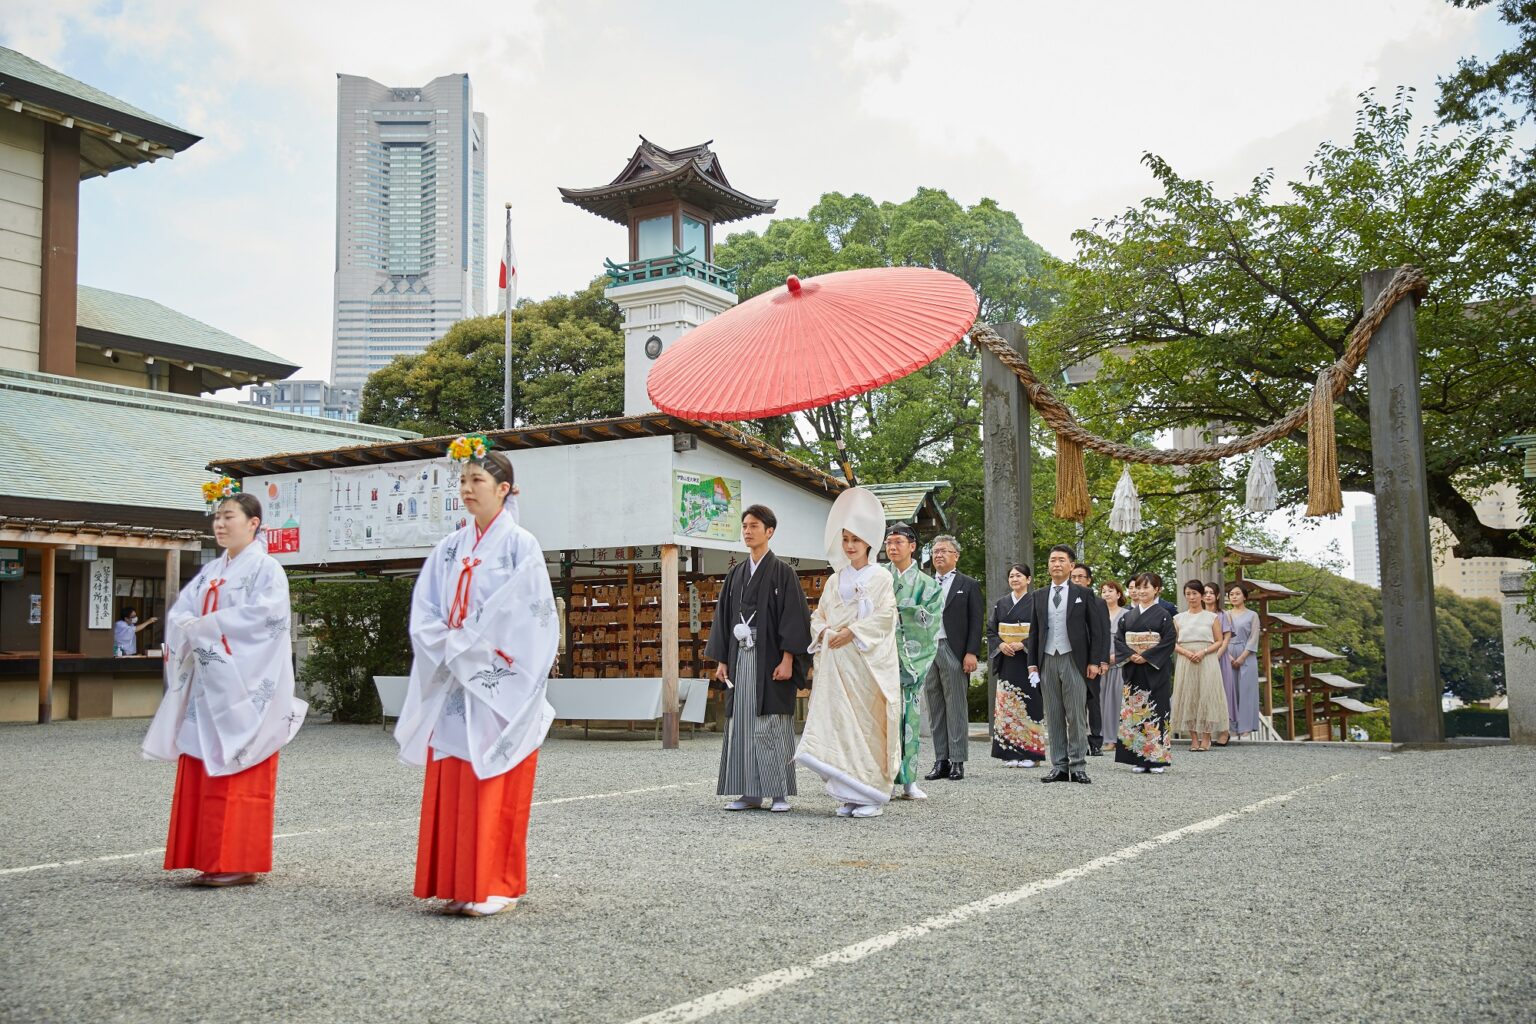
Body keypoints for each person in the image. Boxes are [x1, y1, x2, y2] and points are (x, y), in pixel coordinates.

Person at [394, 436, 558, 917]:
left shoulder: (520, 546)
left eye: (477, 480)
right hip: (454, 676)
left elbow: (528, 617)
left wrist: (467, 644)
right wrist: (448, 643)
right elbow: (425, 607)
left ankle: (495, 884)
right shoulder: (449, 548)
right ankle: (456, 882)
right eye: (462, 480)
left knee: (495, 776)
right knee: (455, 776)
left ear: (504, 489)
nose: (466, 489)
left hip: (498, 679)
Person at [142, 486, 307, 887]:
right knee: (202, 762)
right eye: (217, 517)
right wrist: (190, 628)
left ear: (254, 524)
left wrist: (206, 628)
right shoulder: (212, 571)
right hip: (209, 684)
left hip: (246, 685)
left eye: (229, 516)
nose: (220, 523)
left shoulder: (267, 570)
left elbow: (265, 621)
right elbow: (183, 610)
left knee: (240, 766)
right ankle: (203, 855)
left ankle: (237, 859)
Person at [796, 488, 900, 818]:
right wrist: (827, 633)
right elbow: (819, 615)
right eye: (845, 538)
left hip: (863, 662)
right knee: (838, 723)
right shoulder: (834, 579)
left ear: (869, 541)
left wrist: (852, 631)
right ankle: (849, 792)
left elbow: (886, 616)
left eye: (856, 538)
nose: (850, 545)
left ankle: (870, 792)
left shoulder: (881, 576)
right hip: (835, 660)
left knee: (865, 724)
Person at [705, 504, 813, 813]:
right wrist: (722, 661)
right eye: (745, 526)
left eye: (754, 526)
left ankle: (778, 792)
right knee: (741, 723)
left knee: (772, 723)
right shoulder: (736, 574)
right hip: (740, 656)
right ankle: (748, 792)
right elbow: (723, 620)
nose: (748, 531)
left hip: (772, 659)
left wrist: (789, 659)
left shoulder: (783, 574)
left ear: (770, 531)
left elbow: (795, 618)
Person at [1025, 545, 1109, 784]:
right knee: (1053, 714)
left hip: (1075, 659)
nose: (1056, 564)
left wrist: (1095, 661)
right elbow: (1034, 632)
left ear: (1072, 566)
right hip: (1047, 658)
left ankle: (1078, 765)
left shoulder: (1084, 594)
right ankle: (1059, 766)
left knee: (1076, 715)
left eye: (1062, 560)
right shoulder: (1039, 595)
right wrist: (1032, 664)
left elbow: (1097, 631)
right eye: (1052, 560)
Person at [883, 523, 942, 800]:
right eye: (888, 543)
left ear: (912, 546)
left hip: (910, 661)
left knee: (908, 719)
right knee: (880, 719)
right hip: (879, 659)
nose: (892, 548)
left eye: (898, 542)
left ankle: (909, 781)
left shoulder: (928, 584)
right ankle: (880, 779)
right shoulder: (879, 577)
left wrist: (897, 613)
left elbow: (929, 622)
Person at [922, 535, 983, 781]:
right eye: (935, 551)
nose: (939, 555)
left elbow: (976, 621)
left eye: (944, 551)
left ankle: (958, 760)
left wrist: (971, 652)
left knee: (956, 706)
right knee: (935, 706)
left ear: (956, 556)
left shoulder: (968, 584)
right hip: (928, 648)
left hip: (954, 648)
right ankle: (941, 760)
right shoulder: (924, 584)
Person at [1113, 572, 1177, 774]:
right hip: (1134, 668)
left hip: (1154, 670)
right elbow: (1119, 640)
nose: (1141, 592)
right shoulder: (1127, 617)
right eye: (1138, 588)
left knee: (1156, 711)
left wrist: (1147, 655)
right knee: (1134, 712)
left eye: (1146, 588)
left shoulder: (1164, 615)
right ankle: (1138, 757)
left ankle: (1156, 759)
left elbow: (1168, 641)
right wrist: (1131, 655)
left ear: (1157, 590)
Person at [988, 563, 1045, 767]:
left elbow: (1041, 631)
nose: (1014, 579)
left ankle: (1031, 754)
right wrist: (1001, 645)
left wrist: (1024, 644)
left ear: (1028, 579)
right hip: (1008, 660)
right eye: (1011, 576)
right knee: (1008, 705)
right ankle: (1010, 752)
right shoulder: (1001, 603)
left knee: (1030, 703)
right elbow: (991, 630)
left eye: (1019, 576)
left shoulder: (1037, 602)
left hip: (1028, 660)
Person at [1171, 579, 1229, 753]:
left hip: (1207, 658)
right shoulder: (1178, 618)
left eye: (1195, 593)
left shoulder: (1212, 617)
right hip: (1186, 658)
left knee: (1207, 695)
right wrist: (1187, 653)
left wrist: (1203, 652)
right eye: (1188, 594)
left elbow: (1219, 641)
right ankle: (1193, 739)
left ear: (1202, 596)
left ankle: (1206, 737)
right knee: (1189, 696)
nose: (1191, 597)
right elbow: (1172, 643)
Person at [1070, 563, 1108, 756]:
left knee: (1092, 700)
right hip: (1072, 658)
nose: (1077, 580)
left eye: (1080, 577)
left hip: (1092, 659)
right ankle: (1078, 740)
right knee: (1074, 701)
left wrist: (1101, 660)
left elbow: (1101, 633)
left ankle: (1096, 740)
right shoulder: (1066, 599)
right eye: (1073, 577)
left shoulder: (1099, 602)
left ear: (1089, 580)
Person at [1224, 582, 1263, 739]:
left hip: (1247, 654)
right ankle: (1231, 726)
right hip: (1228, 653)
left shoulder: (1252, 615)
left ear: (1245, 596)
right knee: (1230, 690)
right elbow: (1221, 637)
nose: (1234, 596)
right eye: (1231, 594)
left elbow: (1254, 637)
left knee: (1246, 690)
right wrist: (1229, 656)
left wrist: (1242, 657)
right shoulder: (1225, 615)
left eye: (1237, 593)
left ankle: (1246, 727)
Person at [1204, 582, 1235, 745]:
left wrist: (1215, 656)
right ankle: (1206, 732)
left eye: (1211, 592)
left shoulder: (1224, 615)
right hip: (1202, 657)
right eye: (1205, 592)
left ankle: (1224, 731)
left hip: (1219, 659)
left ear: (1217, 596)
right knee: (1204, 694)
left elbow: (1226, 639)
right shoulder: (1199, 614)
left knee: (1222, 693)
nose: (1208, 595)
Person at [1099, 579, 1128, 751]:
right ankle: (1102, 736)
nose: (1107, 594)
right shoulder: (1097, 613)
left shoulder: (1127, 614)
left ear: (1118, 594)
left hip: (1120, 662)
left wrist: (1116, 656)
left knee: (1117, 701)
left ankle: (1117, 738)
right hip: (1100, 664)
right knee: (1101, 701)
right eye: (1103, 591)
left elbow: (1129, 640)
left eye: (1110, 590)